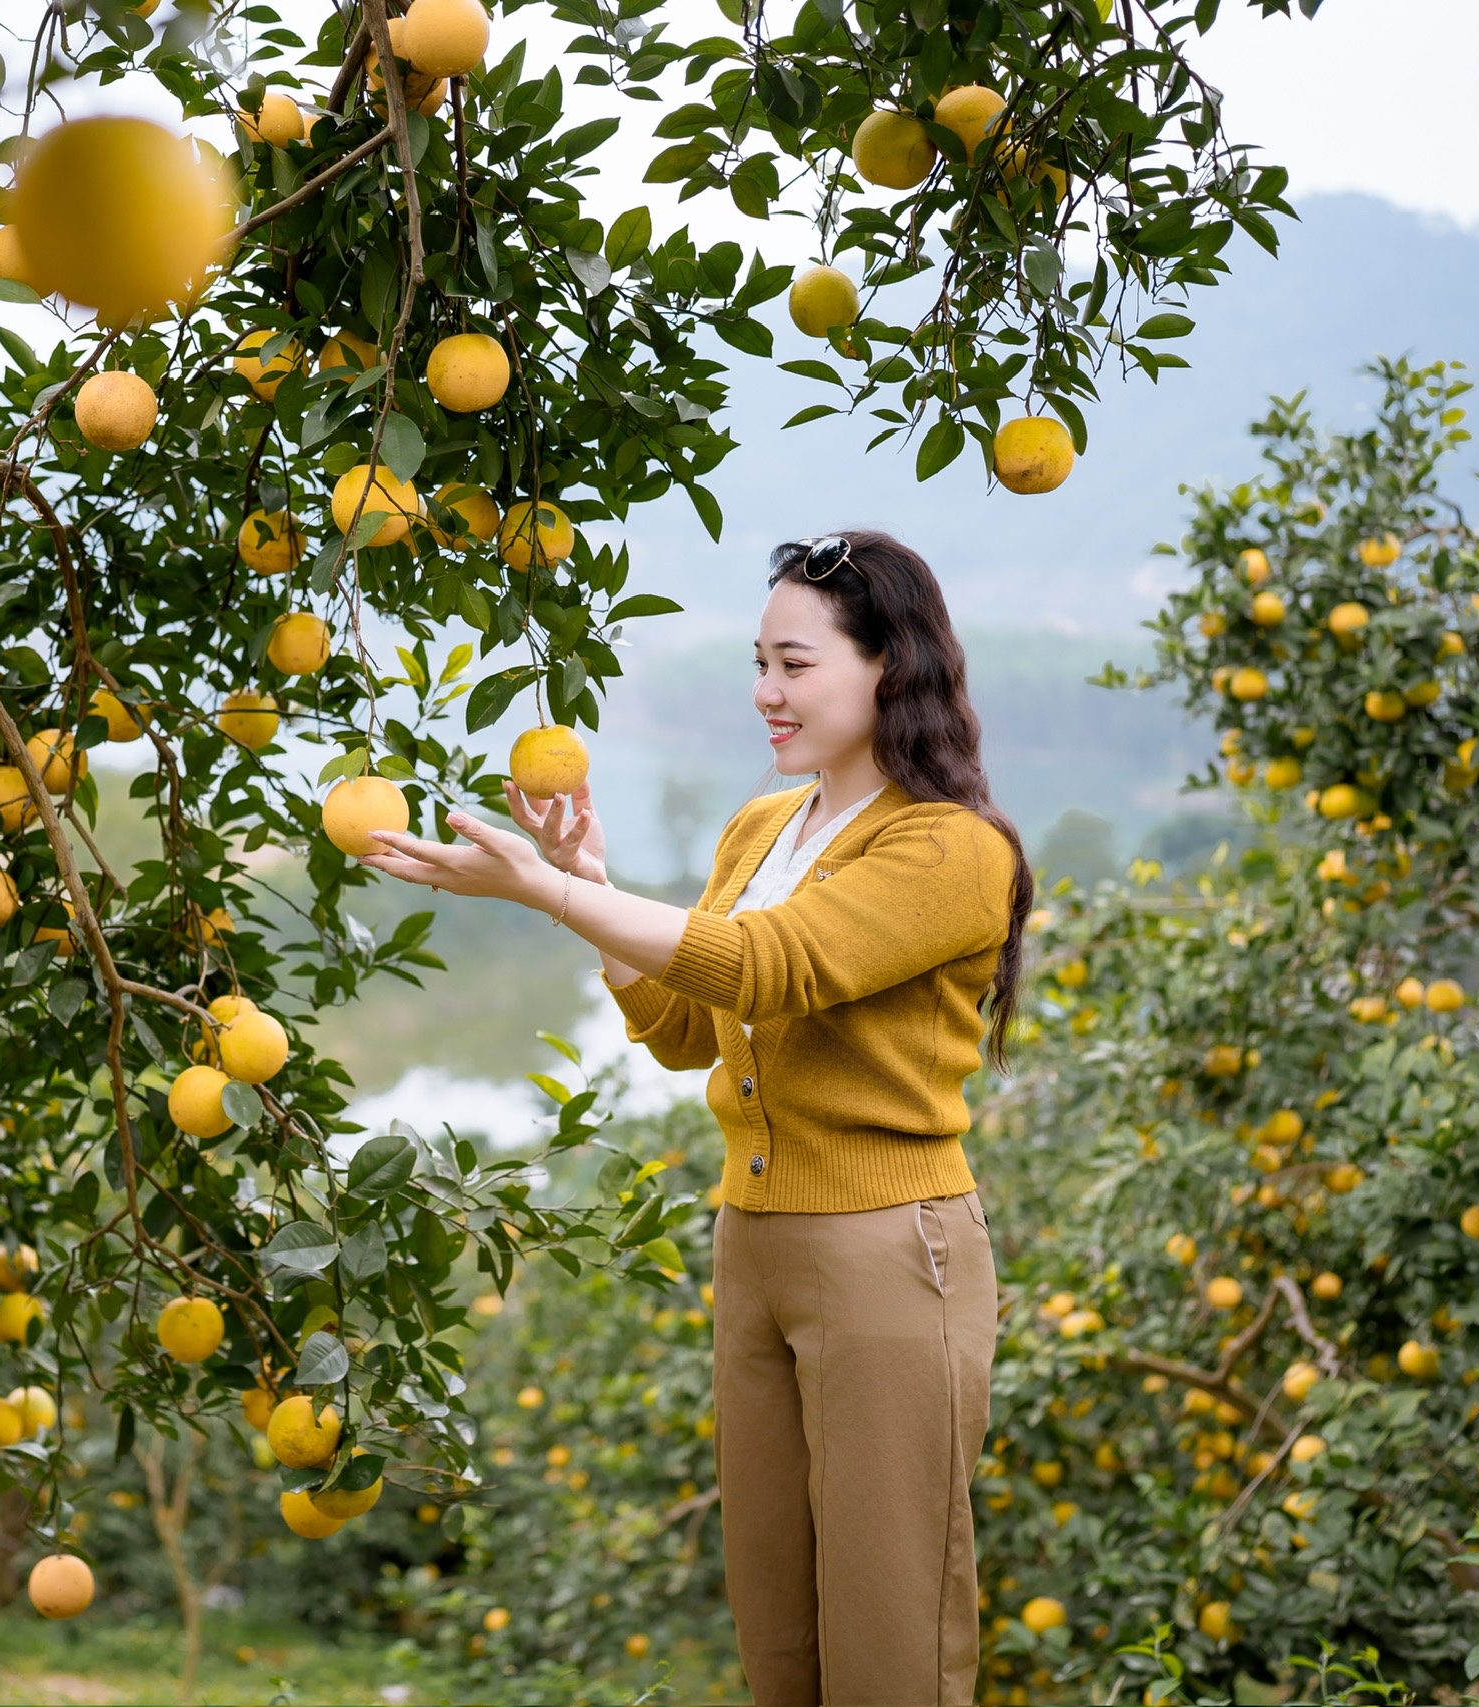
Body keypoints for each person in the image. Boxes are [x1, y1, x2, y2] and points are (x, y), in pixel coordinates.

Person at [358, 528, 1032, 1706]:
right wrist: (593, 893)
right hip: (754, 1242)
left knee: (891, 1630)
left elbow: (770, 967)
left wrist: (553, 889)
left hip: (888, 1250)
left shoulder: (948, 849)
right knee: (774, 1620)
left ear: (889, 666)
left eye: (795, 664)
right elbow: (684, 1027)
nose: (766, 694)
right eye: (757, 664)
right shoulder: (761, 829)